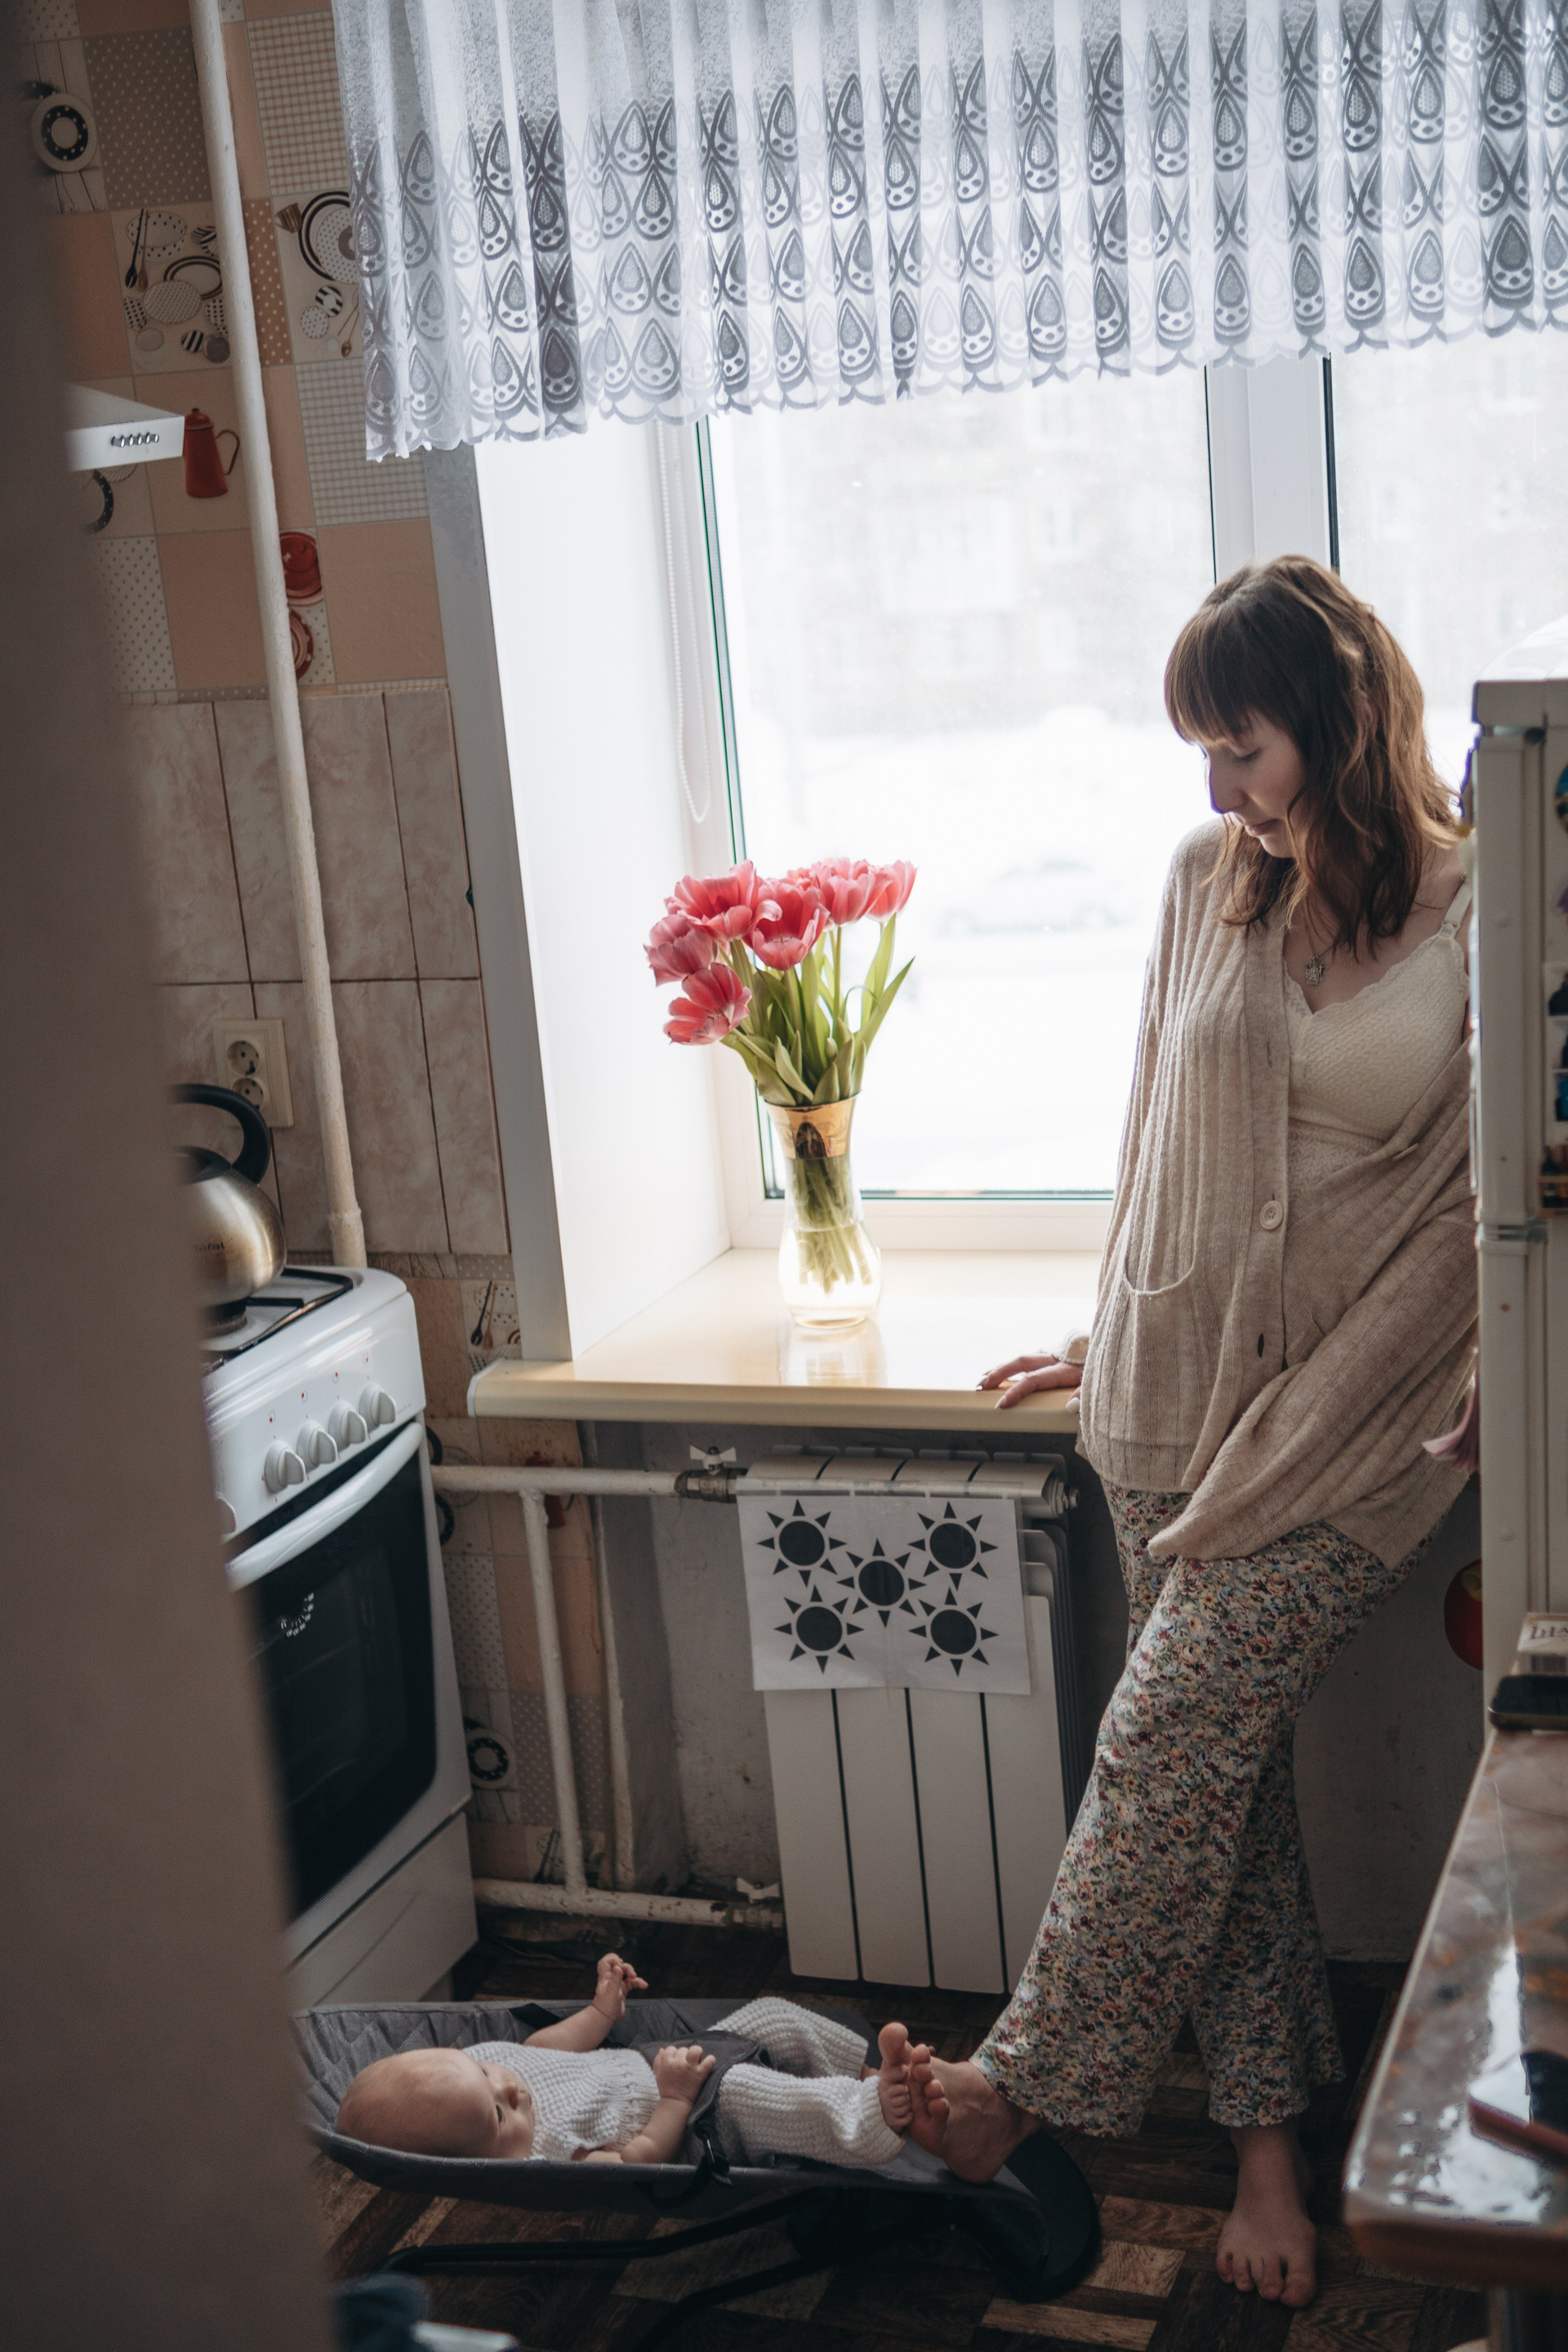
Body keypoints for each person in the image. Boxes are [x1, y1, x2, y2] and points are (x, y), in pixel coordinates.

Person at [911, 558, 1477, 2311]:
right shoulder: (1204, 884)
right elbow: (1157, 1132)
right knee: (1227, 1792)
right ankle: (1266, 2156)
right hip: (1172, 1402)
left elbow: (1498, 1199)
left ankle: (1016, 2091)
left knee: (1164, 1742)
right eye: (1204, 757)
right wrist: (1109, 1337)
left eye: (1243, 750)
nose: (1219, 793)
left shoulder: (1500, 905)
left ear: (1342, 720)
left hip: (1362, 1422)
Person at [336, 1950, 923, 2169]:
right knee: (756, 2095)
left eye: (488, 2074)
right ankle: (868, 2116)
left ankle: (863, 2071)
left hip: (667, 2060)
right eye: (496, 2114)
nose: (509, 2089)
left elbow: (543, 2049)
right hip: (696, 2120)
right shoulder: (550, 2153)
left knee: (772, 2016)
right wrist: (674, 2100)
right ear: (483, 2161)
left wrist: (601, 2011)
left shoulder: (493, 2062)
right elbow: (636, 2160)